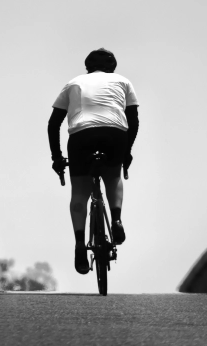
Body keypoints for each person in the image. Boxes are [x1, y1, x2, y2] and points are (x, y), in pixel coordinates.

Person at [47, 48, 139, 275]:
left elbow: (53, 124)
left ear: (87, 67)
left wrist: (57, 158)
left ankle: (80, 244)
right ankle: (116, 220)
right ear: (113, 67)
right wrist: (126, 152)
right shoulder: (123, 81)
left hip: (81, 136)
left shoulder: (73, 83)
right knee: (113, 175)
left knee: (79, 191)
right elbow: (134, 120)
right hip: (115, 134)